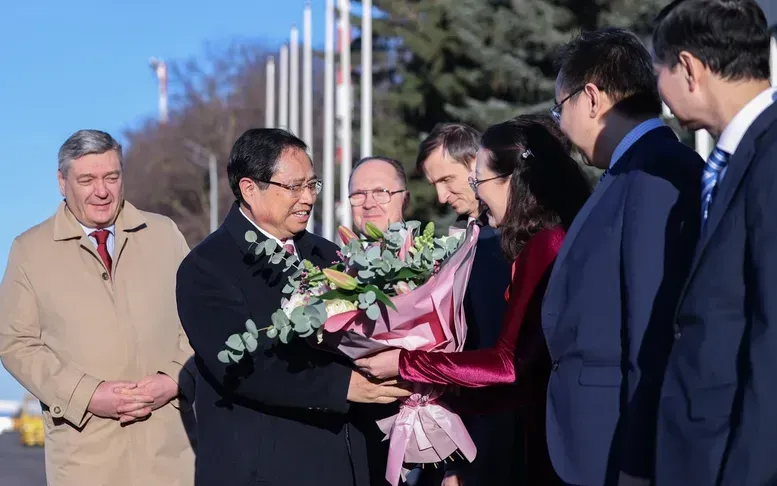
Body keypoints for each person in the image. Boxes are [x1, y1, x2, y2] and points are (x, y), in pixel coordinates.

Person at [357, 114, 592, 485]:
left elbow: (507, 364)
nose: (477, 193)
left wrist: (405, 364)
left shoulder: (545, 243)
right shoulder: (538, 240)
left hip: (548, 441)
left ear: (511, 180)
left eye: (477, 181)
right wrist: (442, 403)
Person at [175, 128, 411, 486]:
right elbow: (240, 366)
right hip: (266, 471)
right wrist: (343, 386)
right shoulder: (207, 267)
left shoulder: (329, 254)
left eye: (312, 185)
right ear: (249, 189)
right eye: (294, 187)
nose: (308, 197)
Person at [542, 28, 703, 486]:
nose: (561, 124)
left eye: (560, 107)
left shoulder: (655, 173)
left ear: (591, 98)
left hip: (618, 448)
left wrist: (637, 468)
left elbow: (652, 334)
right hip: (596, 441)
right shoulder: (629, 172)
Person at [0, 129, 196, 486]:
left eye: (111, 177)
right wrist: (87, 395)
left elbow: (200, 323)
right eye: (87, 180)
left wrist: (173, 380)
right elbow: (16, 344)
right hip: (85, 459)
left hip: (171, 455)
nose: (102, 191)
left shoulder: (165, 234)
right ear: (62, 182)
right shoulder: (29, 250)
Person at [652, 2, 777, 484]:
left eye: (658, 71)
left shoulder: (769, 157)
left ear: (688, 68)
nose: (660, 94)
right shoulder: (738, 157)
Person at [412, 123, 514, 486]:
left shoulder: (508, 239)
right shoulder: (463, 236)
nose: (441, 197)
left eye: (447, 180)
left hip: (504, 424)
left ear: (476, 163)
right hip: (468, 419)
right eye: (434, 184)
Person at [349, 156, 409, 235]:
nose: (368, 204)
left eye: (380, 192)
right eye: (359, 194)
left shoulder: (423, 242)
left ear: (405, 200)